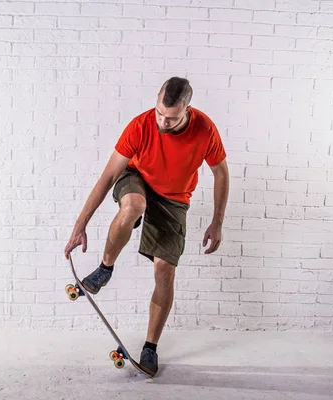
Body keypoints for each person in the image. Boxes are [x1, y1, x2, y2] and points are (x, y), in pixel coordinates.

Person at [64, 76, 230, 377]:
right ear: (156, 100)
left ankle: (150, 347)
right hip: (136, 179)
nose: (163, 123)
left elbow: (221, 173)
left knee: (165, 270)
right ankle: (105, 269)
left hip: (175, 198)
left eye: (172, 118)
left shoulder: (205, 129)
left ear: (187, 110)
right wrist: (80, 225)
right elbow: (107, 178)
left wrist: (217, 223)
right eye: (159, 114)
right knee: (134, 205)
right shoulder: (140, 125)